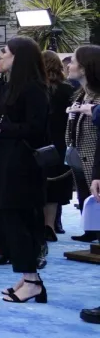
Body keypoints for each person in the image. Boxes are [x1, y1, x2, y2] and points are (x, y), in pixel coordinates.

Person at [0, 38, 50, 304]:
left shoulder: (33, 89)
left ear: (19, 58)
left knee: (20, 223)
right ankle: (28, 278)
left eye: (4, 52)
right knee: (12, 222)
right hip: (5, 162)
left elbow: (36, 129)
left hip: (22, 167)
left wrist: (1, 129)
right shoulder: (8, 88)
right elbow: (3, 122)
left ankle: (31, 281)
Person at [67, 45, 100, 243]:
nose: (69, 65)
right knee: (82, 192)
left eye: (73, 61)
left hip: (94, 157)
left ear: (85, 67)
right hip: (79, 154)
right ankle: (90, 229)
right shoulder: (80, 94)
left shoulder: (97, 97)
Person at [42, 52, 76, 240]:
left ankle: (43, 224)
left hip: (40, 142)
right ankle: (52, 224)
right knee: (55, 187)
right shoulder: (67, 90)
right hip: (60, 142)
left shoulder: (36, 88)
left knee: (41, 184)